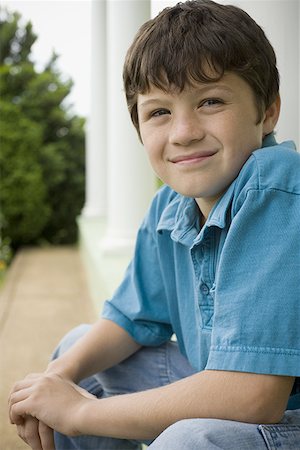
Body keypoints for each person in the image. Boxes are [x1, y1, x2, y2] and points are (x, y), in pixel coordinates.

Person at [9, 1, 300, 449]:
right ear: (140, 129)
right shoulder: (170, 204)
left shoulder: (276, 187)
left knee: (190, 440)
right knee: (77, 352)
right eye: (159, 112)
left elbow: (252, 395)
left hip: (284, 412)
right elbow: (130, 318)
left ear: (268, 111)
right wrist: (55, 381)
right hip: (228, 388)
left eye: (210, 101)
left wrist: (81, 411)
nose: (183, 131)